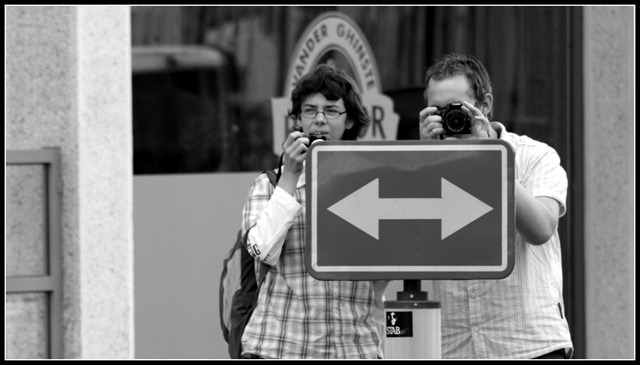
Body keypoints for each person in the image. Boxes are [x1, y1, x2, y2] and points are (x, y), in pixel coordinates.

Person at [418, 53, 573, 359]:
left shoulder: (533, 157)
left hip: (526, 343)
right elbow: (404, 245)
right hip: (453, 346)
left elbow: (541, 228)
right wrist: (421, 159)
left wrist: (490, 157)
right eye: (438, 111)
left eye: (456, 109)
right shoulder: (418, 165)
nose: (450, 119)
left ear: (485, 105)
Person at [240, 64, 388, 359]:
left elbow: (390, 263)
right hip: (279, 347)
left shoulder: (372, 182)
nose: (319, 119)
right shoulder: (269, 184)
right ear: (298, 120)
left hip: (354, 348)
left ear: (349, 122)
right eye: (310, 110)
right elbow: (262, 252)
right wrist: (290, 177)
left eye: (331, 110)